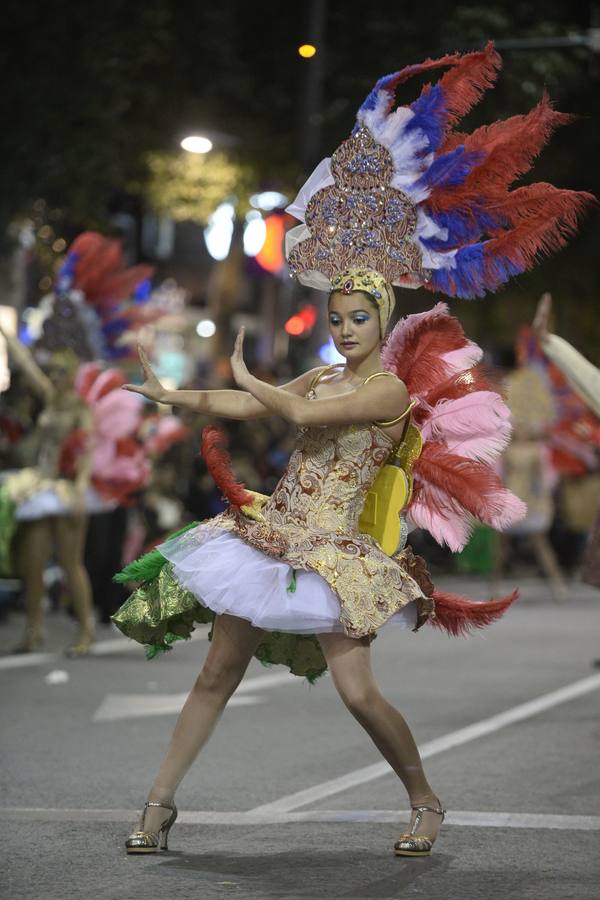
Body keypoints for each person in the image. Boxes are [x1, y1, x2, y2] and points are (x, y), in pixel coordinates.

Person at [112, 43, 593, 859]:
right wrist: (181, 395)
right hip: (270, 538)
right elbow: (255, 401)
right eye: (335, 318)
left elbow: (281, 404)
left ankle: (425, 798)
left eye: (356, 319)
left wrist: (250, 380)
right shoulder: (325, 376)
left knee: (358, 692)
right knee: (214, 674)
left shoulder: (388, 393)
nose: (342, 330)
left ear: (382, 320)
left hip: (339, 554)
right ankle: (159, 804)